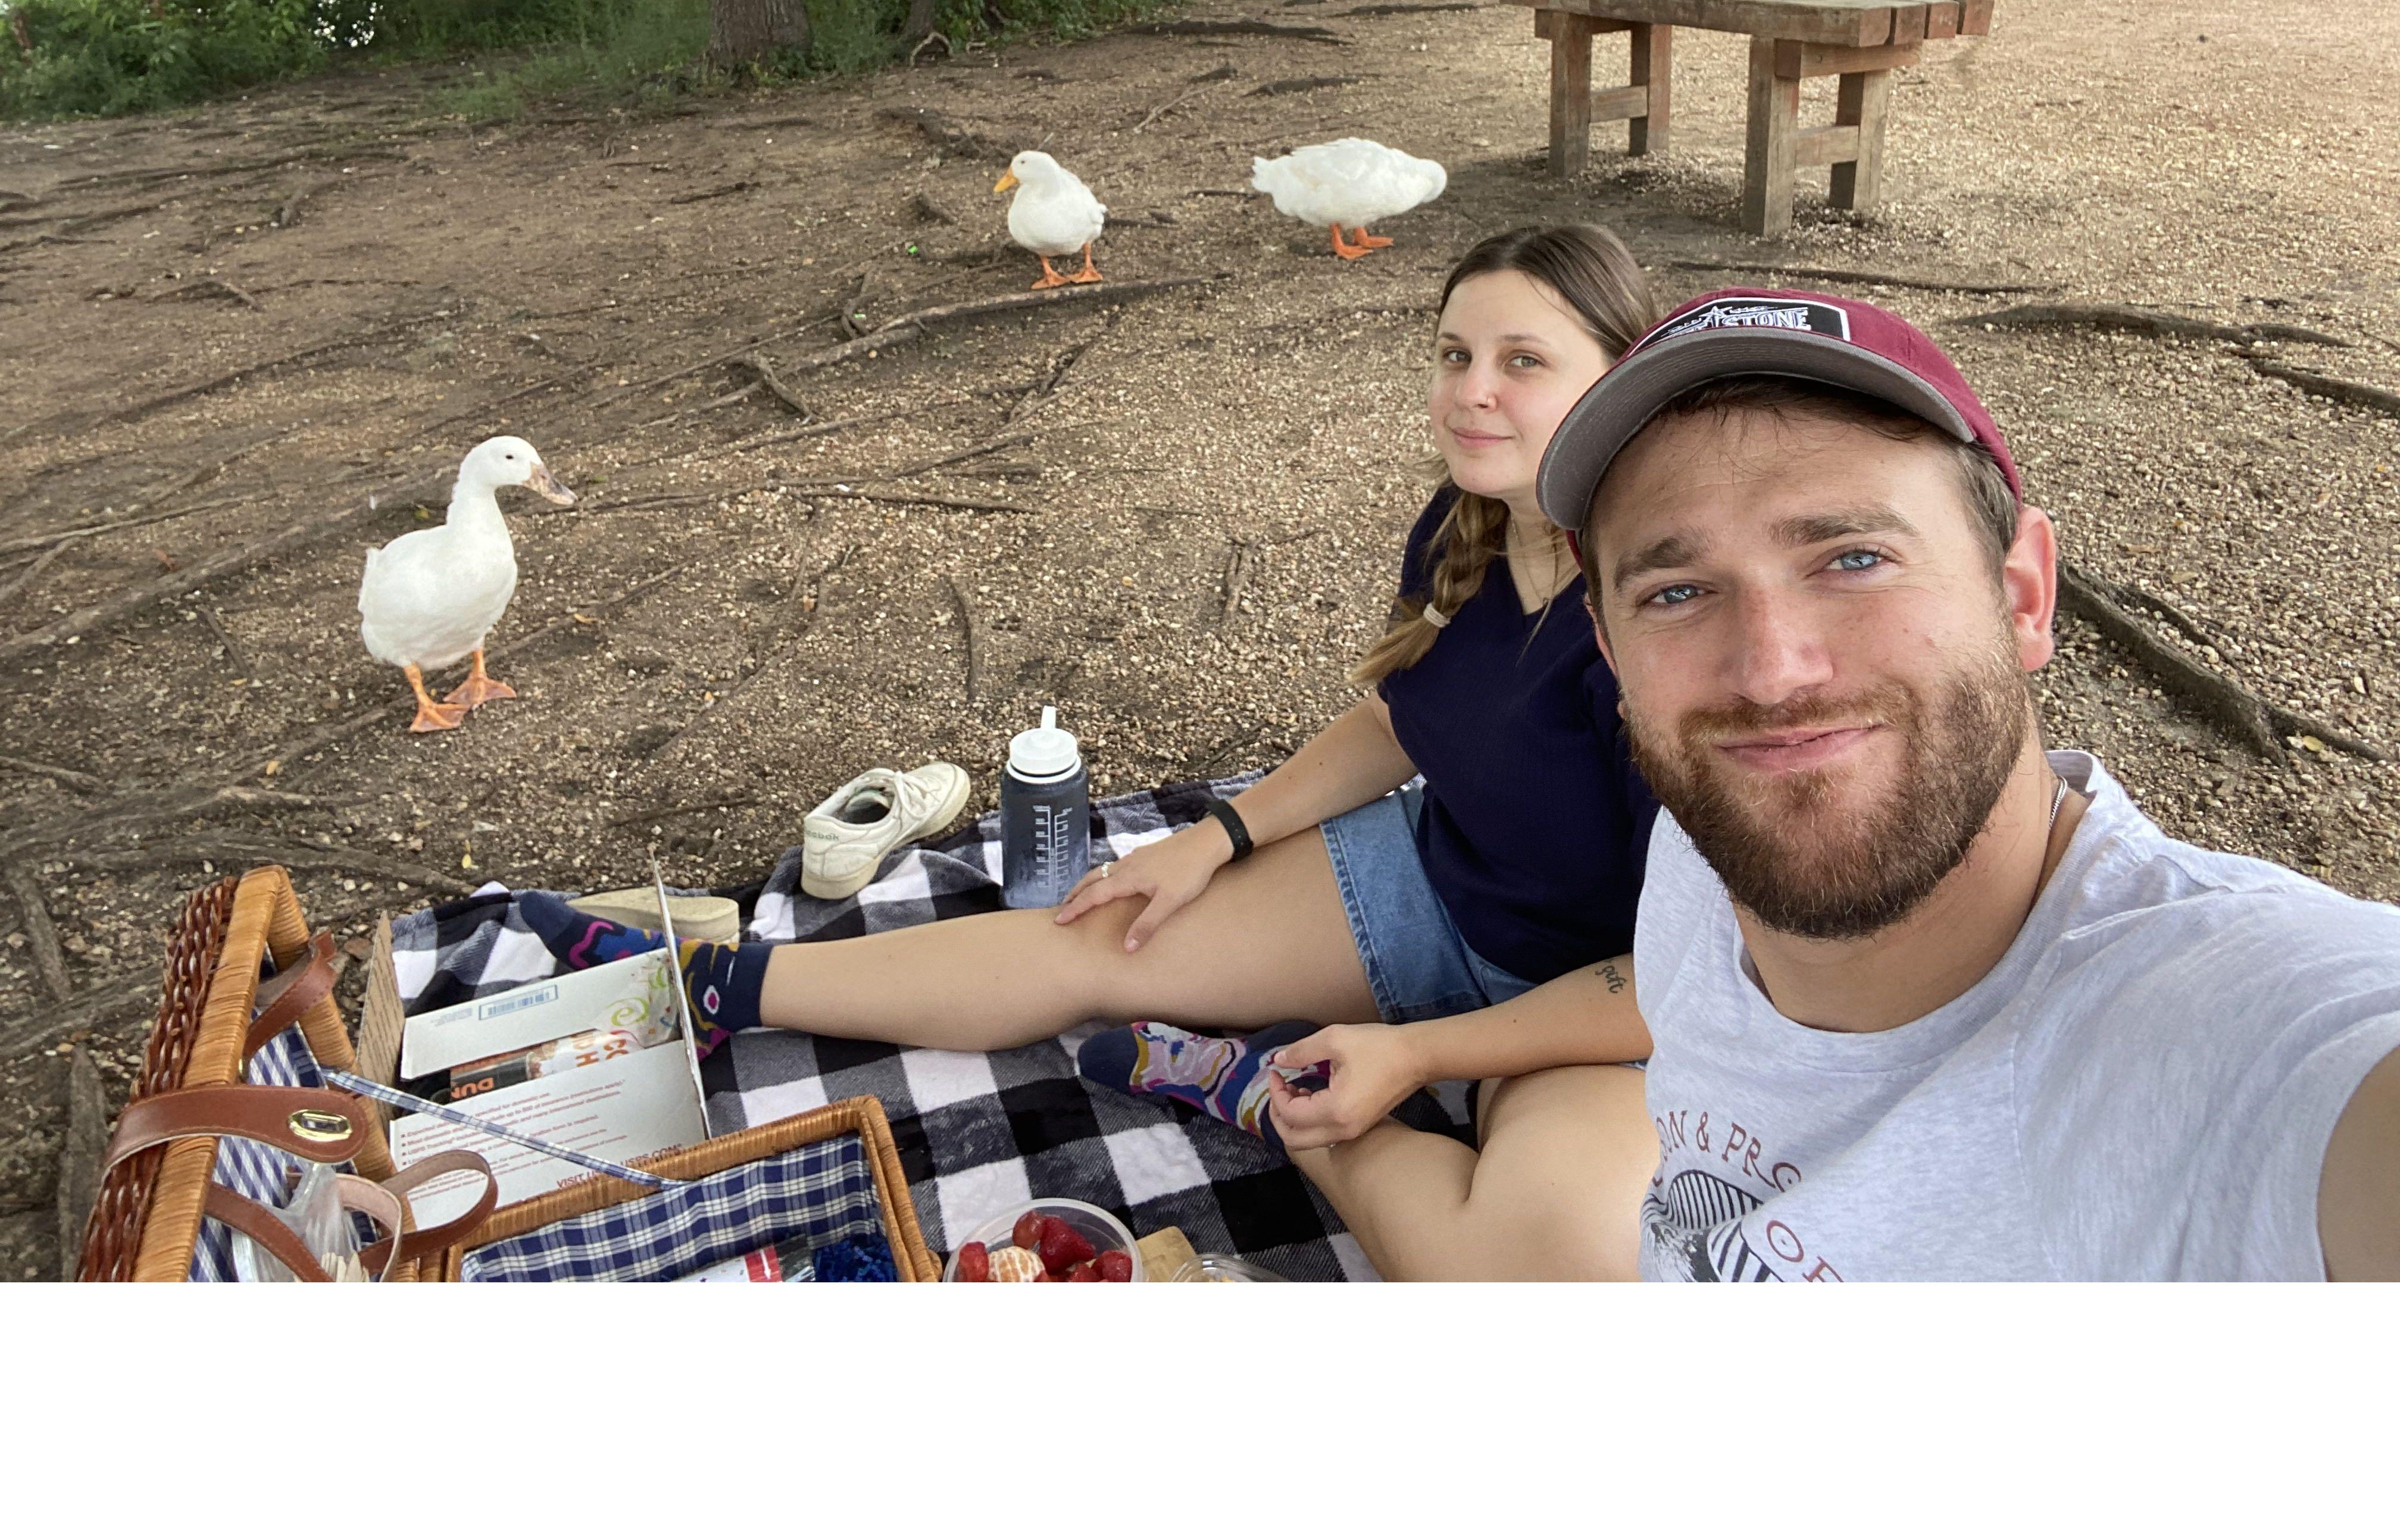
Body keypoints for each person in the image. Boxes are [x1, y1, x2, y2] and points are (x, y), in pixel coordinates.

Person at [517, 223, 1669, 1278]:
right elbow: (1395, 723)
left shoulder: (1668, 625)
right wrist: (1217, 836)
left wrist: (1423, 1057)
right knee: (1095, 936)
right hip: (1429, 886)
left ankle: (1256, 1083)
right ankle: (709, 982)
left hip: (1599, 1002)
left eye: (1524, 361)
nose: (1471, 394)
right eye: (1454, 353)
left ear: (1621, 378)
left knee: (1537, 1282)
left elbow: (1698, 979)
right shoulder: (1471, 522)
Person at [1518, 286, 2400, 1281]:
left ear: (2022, 594)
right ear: (1614, 656)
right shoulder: (1706, 836)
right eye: (1676, 592)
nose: (1771, 675)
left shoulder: (2239, 1040)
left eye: (1854, 558)